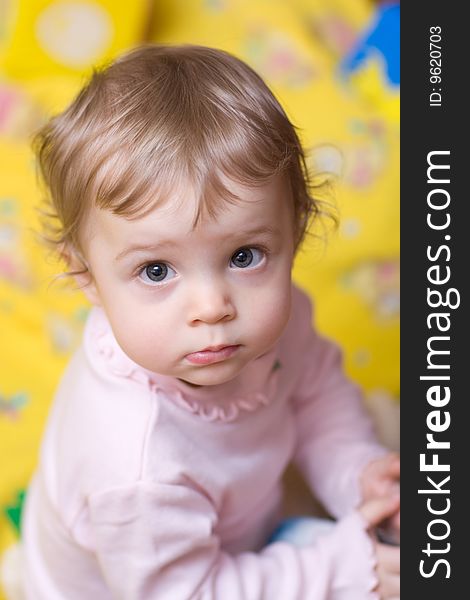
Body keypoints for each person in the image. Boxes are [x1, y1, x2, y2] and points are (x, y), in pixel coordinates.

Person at [21, 44, 400, 599]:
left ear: (293, 231)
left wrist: (356, 473)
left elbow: (315, 392)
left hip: (241, 533)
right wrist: (345, 566)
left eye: (244, 256)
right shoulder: (133, 467)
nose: (212, 306)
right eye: (156, 270)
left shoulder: (269, 320)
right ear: (85, 275)